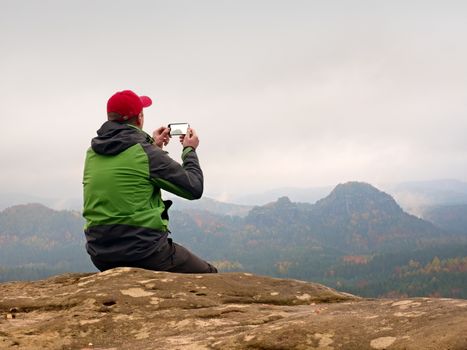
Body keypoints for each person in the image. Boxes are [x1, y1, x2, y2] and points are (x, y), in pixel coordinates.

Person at [82, 89, 217, 273]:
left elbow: (128, 172)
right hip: (144, 252)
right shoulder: (145, 153)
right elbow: (194, 187)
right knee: (209, 275)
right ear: (139, 118)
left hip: (100, 254)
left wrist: (153, 146)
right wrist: (189, 151)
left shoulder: (92, 152)